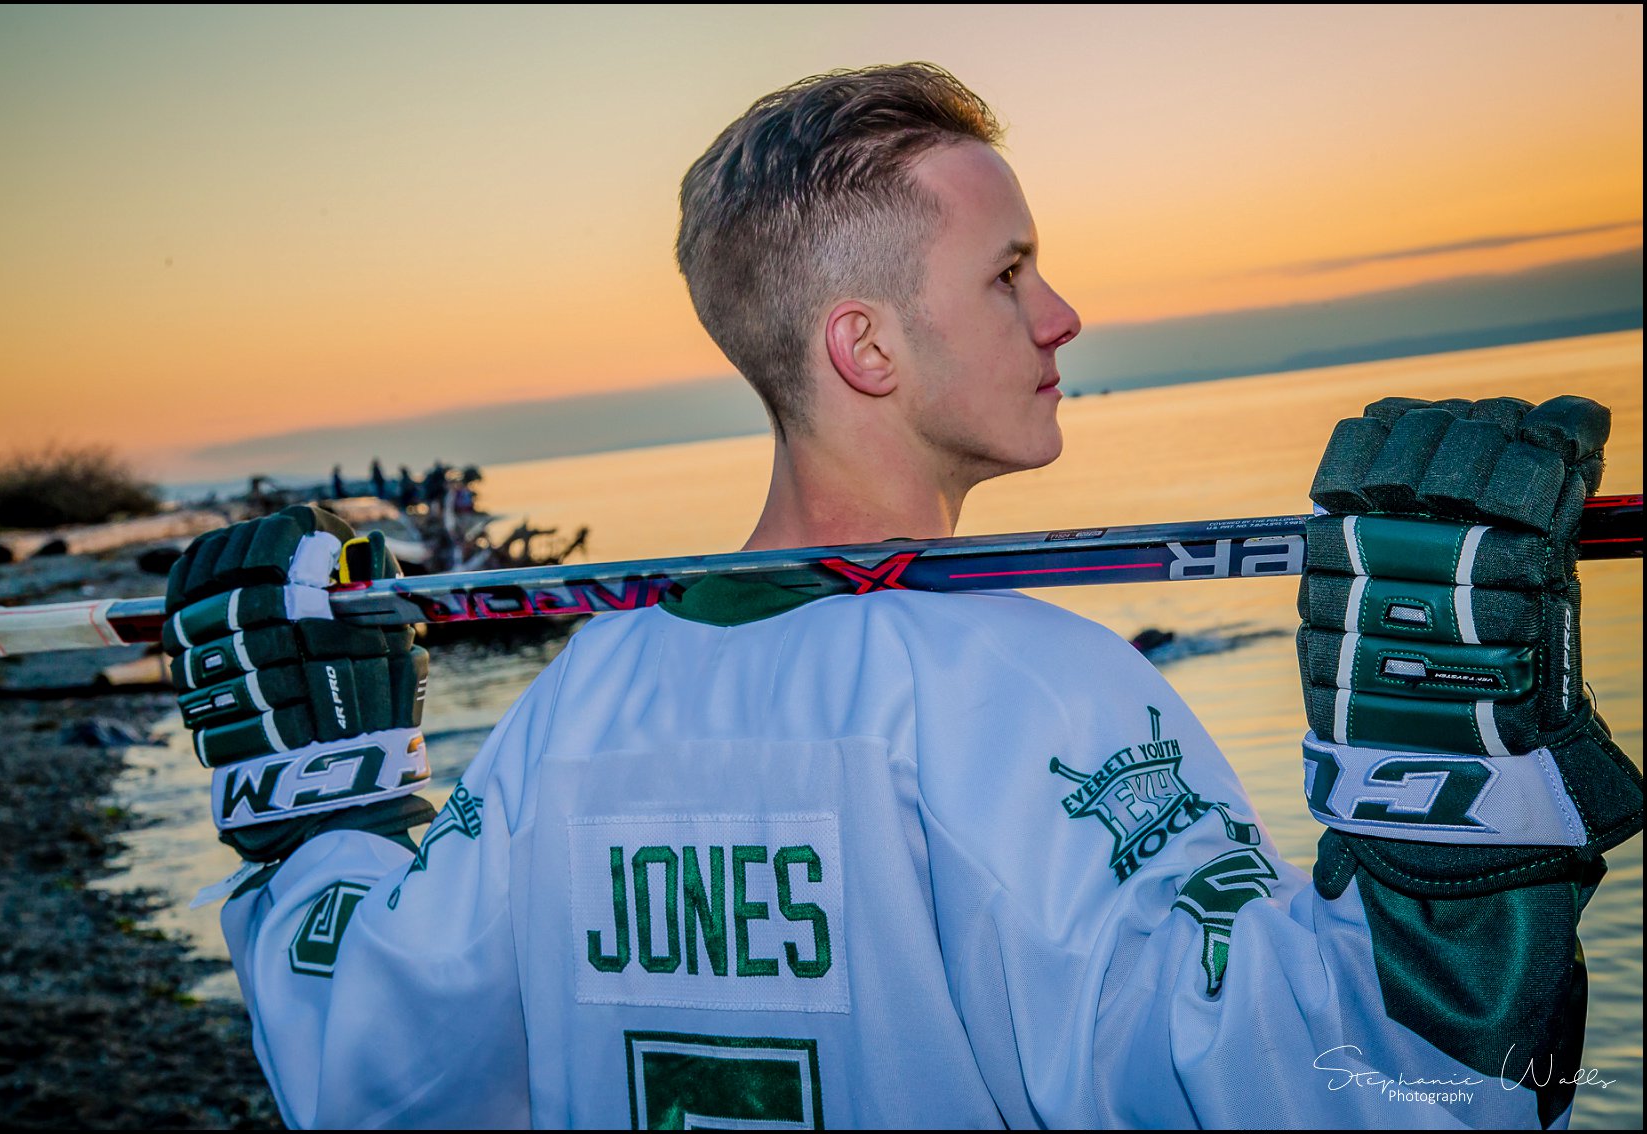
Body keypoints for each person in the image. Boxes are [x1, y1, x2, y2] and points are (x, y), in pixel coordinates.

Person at [159, 64, 1639, 1128]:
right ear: (864, 347)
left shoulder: (578, 703)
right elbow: (1327, 1099)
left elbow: (375, 1063)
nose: (1059, 314)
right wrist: (1449, 828)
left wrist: (314, 813)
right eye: (1007, 273)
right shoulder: (1037, 693)